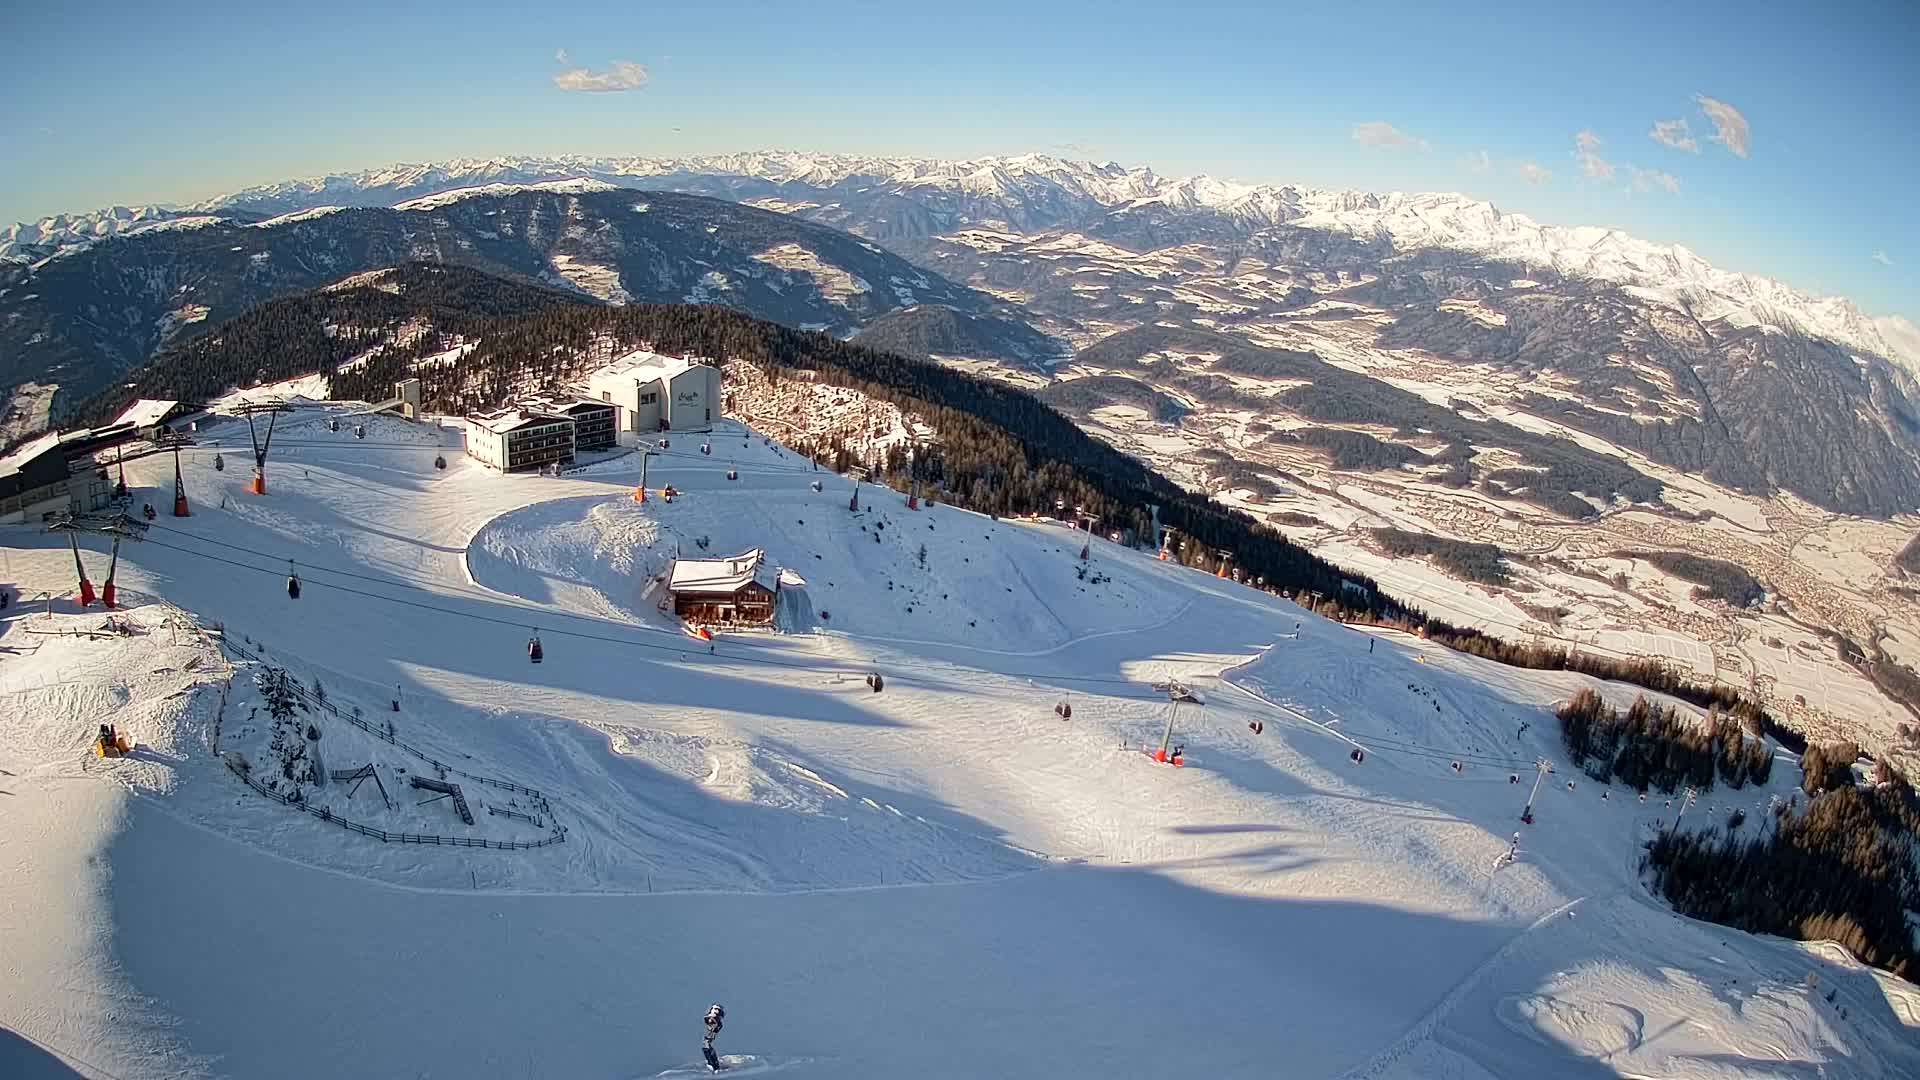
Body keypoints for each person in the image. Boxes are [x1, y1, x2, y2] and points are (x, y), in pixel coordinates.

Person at [702, 1003, 726, 1072]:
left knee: (708, 1047)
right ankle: (712, 1064)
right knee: (707, 1047)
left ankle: (714, 1065)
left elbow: (717, 1026)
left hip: (711, 1035)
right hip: (708, 1036)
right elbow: (708, 1021)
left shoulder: (717, 1021)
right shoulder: (710, 1018)